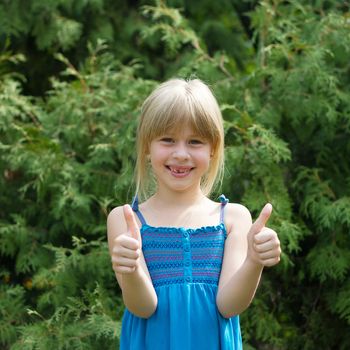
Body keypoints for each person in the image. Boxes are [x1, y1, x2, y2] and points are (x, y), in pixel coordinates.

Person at [107, 78, 281, 349]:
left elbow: (228, 305)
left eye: (195, 142)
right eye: (167, 139)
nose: (181, 154)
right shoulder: (126, 220)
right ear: (146, 147)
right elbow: (143, 306)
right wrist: (129, 268)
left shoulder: (233, 219)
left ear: (213, 149)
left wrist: (254, 261)